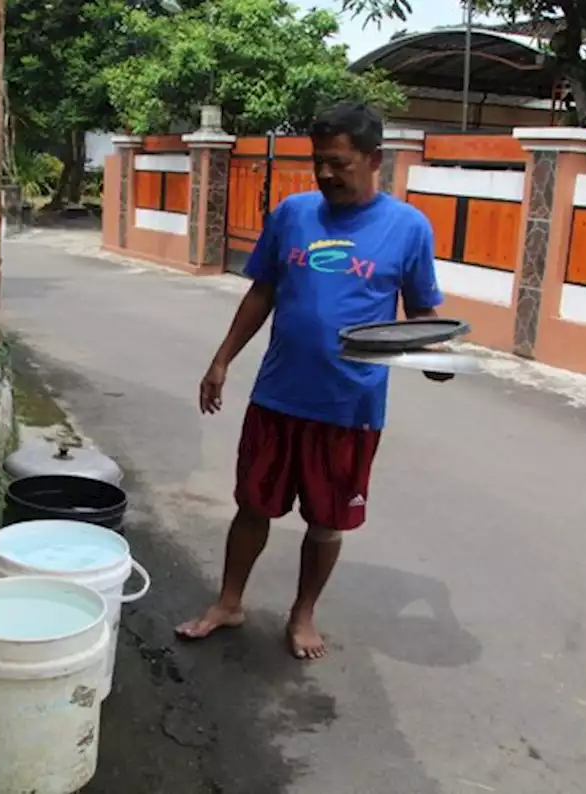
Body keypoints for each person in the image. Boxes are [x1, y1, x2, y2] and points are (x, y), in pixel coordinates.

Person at [175, 102, 452, 660]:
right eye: (318, 161)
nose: (326, 174)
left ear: (374, 159)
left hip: (350, 405)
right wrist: (222, 359)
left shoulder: (408, 228)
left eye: (339, 163)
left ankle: (302, 615)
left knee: (326, 520)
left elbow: (422, 312)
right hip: (278, 395)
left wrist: (436, 352)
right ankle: (229, 602)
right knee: (252, 506)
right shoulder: (293, 214)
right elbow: (263, 291)